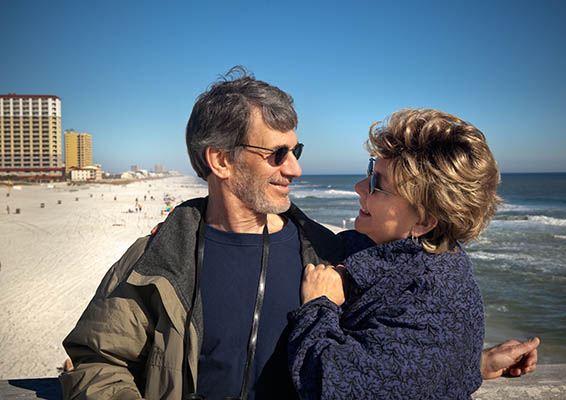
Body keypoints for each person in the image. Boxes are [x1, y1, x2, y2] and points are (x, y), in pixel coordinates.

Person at [60, 69, 537, 400]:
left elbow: (387, 364)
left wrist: (468, 364)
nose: (296, 167)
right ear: (220, 160)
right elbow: (94, 360)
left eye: (296, 149)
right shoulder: (160, 257)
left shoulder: (332, 258)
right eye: (276, 154)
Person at [287, 109, 538, 399]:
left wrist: (319, 306)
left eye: (376, 185)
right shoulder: (395, 253)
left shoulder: (434, 301)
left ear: (423, 221)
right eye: (370, 172)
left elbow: (326, 386)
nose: (358, 188)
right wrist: (470, 363)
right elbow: (407, 367)